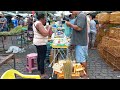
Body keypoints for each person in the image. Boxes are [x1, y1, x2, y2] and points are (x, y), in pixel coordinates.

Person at [66, 11, 89, 79]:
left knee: (81, 60)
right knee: (82, 59)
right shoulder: (80, 16)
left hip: (80, 42)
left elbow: (79, 28)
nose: (72, 13)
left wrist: (70, 25)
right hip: (81, 42)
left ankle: (85, 75)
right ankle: (83, 74)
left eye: (72, 11)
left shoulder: (81, 16)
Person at [33, 13, 52, 79]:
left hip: (38, 42)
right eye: (45, 18)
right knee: (42, 58)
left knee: (39, 56)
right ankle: (42, 73)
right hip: (41, 43)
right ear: (42, 18)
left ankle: (39, 68)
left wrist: (47, 28)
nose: (45, 20)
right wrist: (49, 28)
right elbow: (45, 34)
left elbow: (45, 33)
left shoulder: (37, 23)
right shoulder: (39, 24)